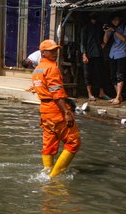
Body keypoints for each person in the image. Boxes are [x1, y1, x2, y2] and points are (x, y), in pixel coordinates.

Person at [32, 40, 81, 178]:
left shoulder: (37, 70)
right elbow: (56, 92)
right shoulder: (52, 68)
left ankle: (46, 171)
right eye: (51, 50)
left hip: (45, 111)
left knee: (49, 143)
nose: (55, 53)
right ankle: (54, 176)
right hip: (56, 110)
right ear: (43, 52)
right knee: (73, 143)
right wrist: (66, 112)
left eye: (56, 50)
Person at [103, 13, 126, 105]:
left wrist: (114, 30)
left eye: (116, 20)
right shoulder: (112, 27)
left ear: (120, 19)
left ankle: (118, 97)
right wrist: (106, 31)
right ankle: (118, 96)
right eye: (113, 20)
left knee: (120, 75)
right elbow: (105, 41)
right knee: (113, 76)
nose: (115, 22)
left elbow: (124, 39)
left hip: (122, 53)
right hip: (113, 54)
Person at [81, 13, 110, 101]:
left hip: (99, 54)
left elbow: (104, 39)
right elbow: (82, 42)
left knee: (100, 74)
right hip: (88, 55)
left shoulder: (100, 26)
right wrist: (84, 54)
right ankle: (90, 94)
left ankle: (101, 93)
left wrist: (104, 44)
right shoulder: (85, 27)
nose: (94, 18)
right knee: (88, 75)